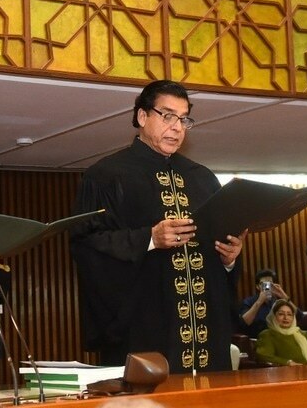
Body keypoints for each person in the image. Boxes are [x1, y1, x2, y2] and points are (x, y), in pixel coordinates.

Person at [70, 80, 246, 373]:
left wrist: (229, 259)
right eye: (168, 116)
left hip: (207, 337)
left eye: (184, 118)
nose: (178, 127)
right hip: (147, 333)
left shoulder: (203, 179)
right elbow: (87, 245)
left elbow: (217, 247)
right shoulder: (104, 176)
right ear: (142, 116)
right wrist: (148, 239)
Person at [254, 299, 307, 366]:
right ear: (273, 316)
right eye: (281, 314)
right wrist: (287, 363)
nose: (286, 317)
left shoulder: (301, 334)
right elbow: (264, 356)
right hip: (285, 374)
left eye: (289, 314)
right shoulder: (267, 335)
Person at [238, 268, 300, 339]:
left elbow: (299, 316)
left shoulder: (278, 302)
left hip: (281, 337)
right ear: (257, 286)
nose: (267, 287)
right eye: (263, 284)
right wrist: (259, 302)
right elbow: (244, 323)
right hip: (259, 339)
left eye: (270, 284)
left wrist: (284, 296)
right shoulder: (249, 301)